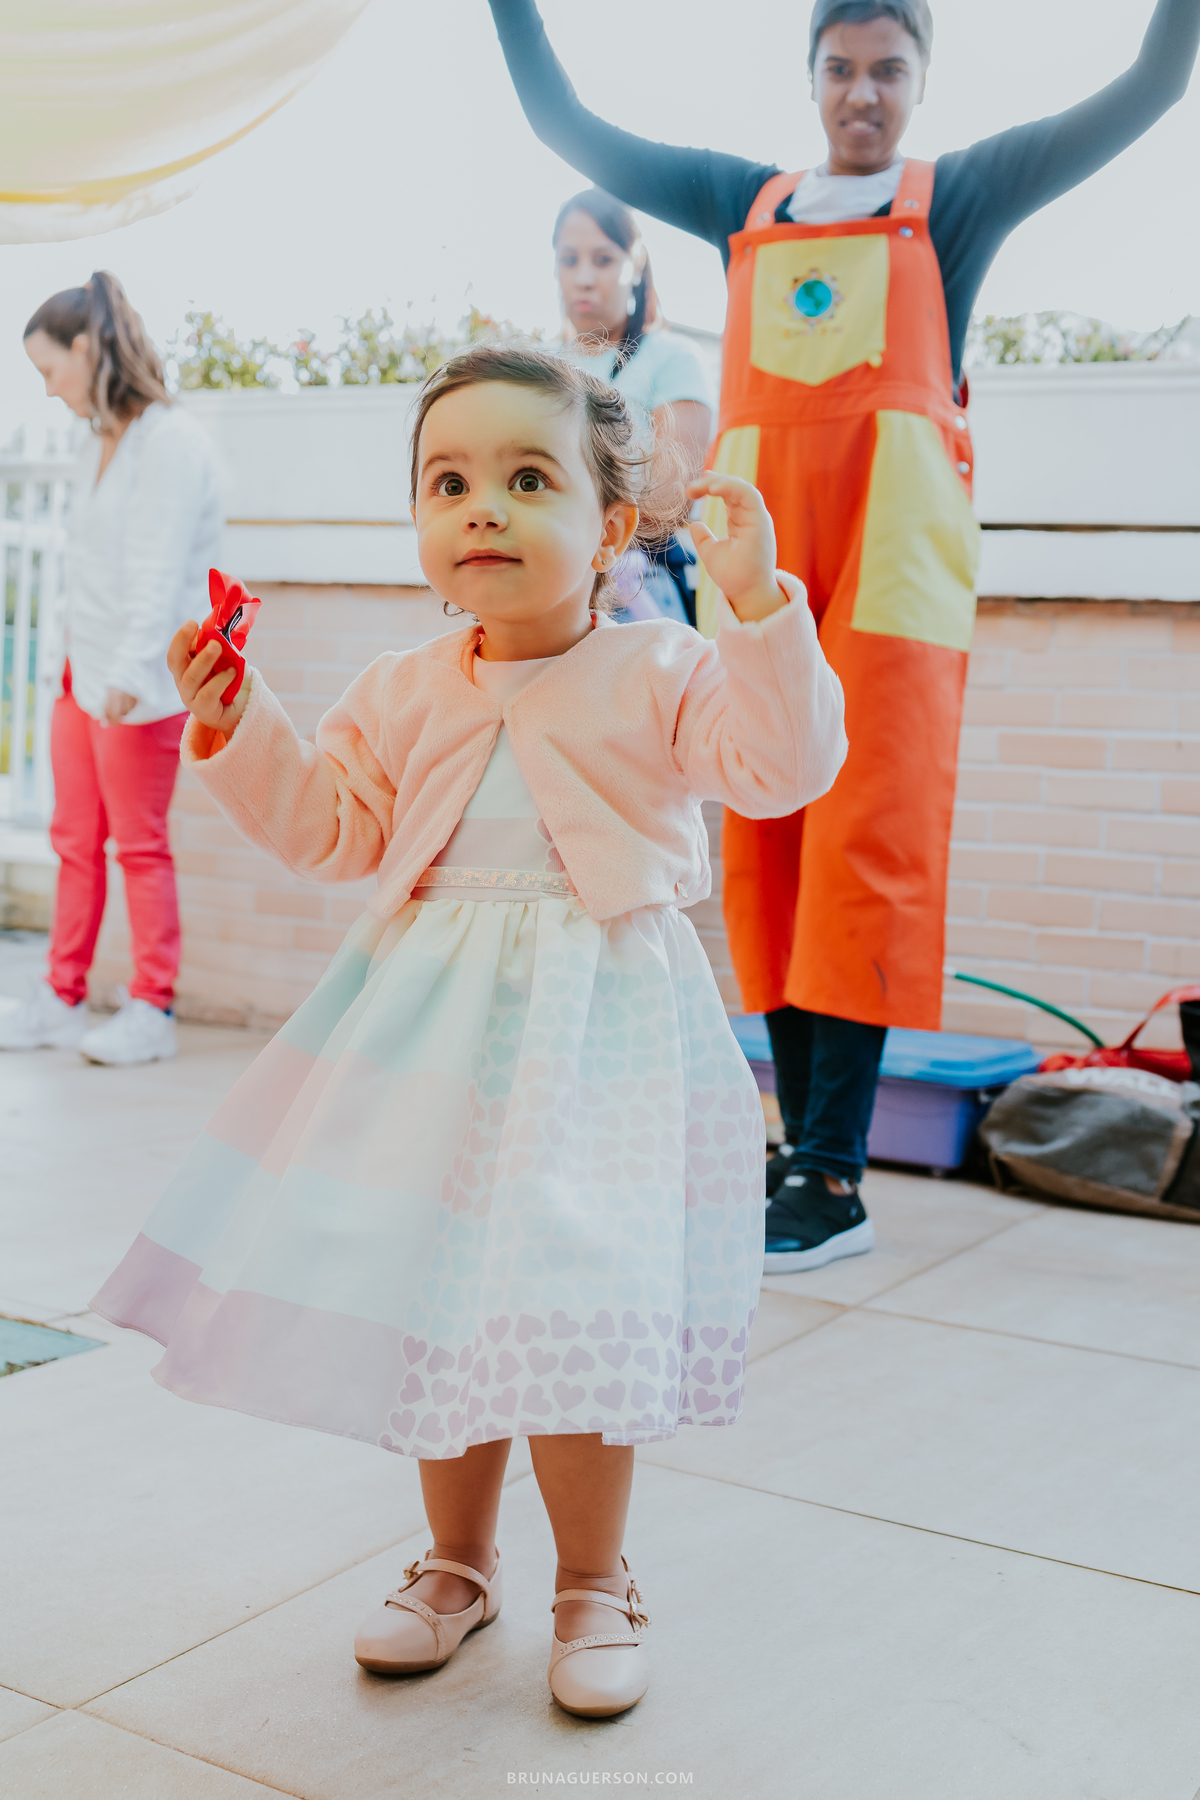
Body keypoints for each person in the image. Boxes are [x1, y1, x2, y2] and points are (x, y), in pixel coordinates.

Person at [91, 343, 846, 1717]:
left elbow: (783, 767)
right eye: (449, 481)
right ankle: (456, 1561)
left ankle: (595, 1579)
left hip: (601, 1049)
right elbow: (332, 828)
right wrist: (238, 720)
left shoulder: (664, 669)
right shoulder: (402, 687)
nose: (481, 507)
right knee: (446, 1301)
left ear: (613, 527)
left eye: (526, 477)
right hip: (434, 1045)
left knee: (573, 1302)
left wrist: (755, 604)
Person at [487, 0, 1200, 1272]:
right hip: (768, 569)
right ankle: (793, 1147)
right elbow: (565, 123)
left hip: (890, 574)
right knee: (766, 830)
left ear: (922, 80)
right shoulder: (745, 203)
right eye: (840, 68)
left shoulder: (961, 198)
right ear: (809, 76)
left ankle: (835, 1170)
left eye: (889, 70)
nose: (862, 94)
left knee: (864, 844)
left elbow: (1149, 84)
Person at [1, 272, 222, 1066]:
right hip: (79, 675)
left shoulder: (172, 441)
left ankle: (151, 1009)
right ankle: (61, 997)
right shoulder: (97, 437)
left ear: (87, 349)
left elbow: (156, 573)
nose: (48, 389)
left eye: (48, 369)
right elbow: (91, 568)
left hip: (137, 683)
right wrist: (79, 670)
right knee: (73, 841)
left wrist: (128, 673)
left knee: (138, 843)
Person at [554, 186, 713, 622]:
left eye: (603, 259)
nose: (584, 277)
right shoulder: (539, 368)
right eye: (570, 260)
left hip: (639, 589)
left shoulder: (673, 359)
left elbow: (669, 497)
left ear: (636, 264)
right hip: (544, 584)